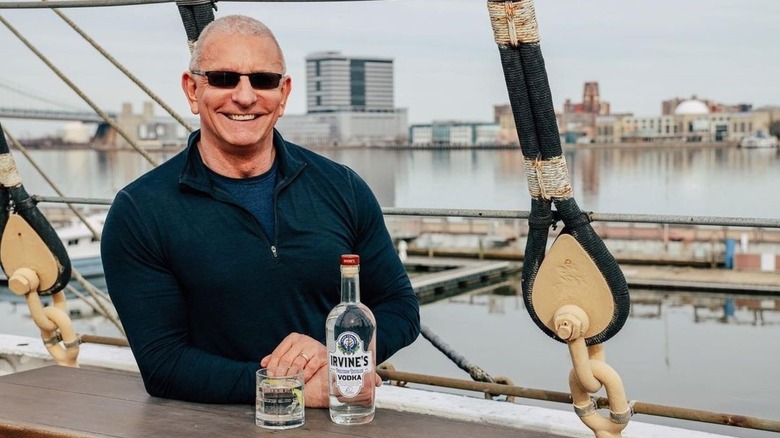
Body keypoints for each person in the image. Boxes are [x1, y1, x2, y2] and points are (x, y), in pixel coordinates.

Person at [100, 14, 420, 407]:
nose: (245, 96)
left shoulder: (343, 188)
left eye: (263, 80)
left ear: (283, 94)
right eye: (223, 78)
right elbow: (163, 364)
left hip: (336, 420)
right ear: (192, 89)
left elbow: (400, 307)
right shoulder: (140, 211)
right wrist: (288, 390)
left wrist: (341, 357)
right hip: (208, 428)